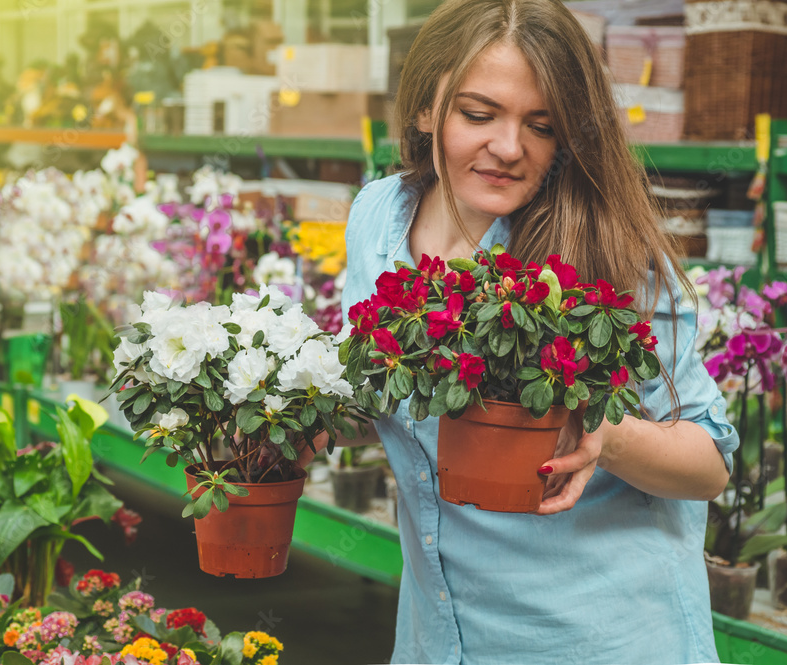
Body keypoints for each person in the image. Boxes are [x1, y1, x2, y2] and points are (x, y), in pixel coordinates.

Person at [310, 1, 739, 663]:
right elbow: (392, 401)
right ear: (426, 108)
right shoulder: (378, 218)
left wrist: (604, 431)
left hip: (599, 640)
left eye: (541, 126)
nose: (509, 148)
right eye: (478, 114)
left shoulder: (605, 252)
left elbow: (709, 463)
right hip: (439, 640)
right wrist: (301, 417)